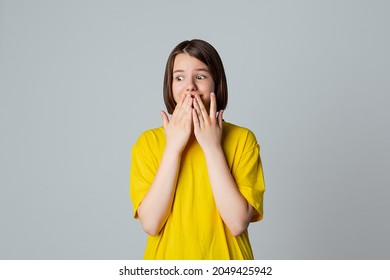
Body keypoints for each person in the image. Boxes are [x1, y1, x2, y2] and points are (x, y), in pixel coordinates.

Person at [130, 39, 265, 260]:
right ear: (170, 85)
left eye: (200, 76)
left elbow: (238, 222)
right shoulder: (148, 142)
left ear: (216, 84)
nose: (189, 86)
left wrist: (212, 147)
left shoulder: (243, 140)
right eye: (179, 77)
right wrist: (173, 148)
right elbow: (151, 223)